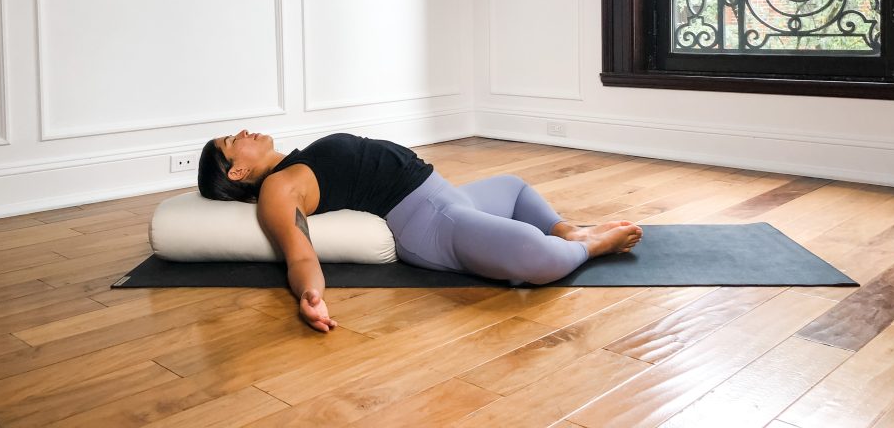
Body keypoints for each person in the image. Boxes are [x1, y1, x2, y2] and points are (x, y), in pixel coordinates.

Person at [197, 131, 643, 333]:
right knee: (534, 258)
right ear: (237, 170)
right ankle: (589, 245)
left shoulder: (298, 158)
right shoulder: (278, 187)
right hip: (432, 224)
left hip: (448, 195)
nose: (243, 133)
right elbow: (299, 252)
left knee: (512, 187)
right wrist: (310, 297)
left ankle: (568, 229)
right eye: (232, 141)